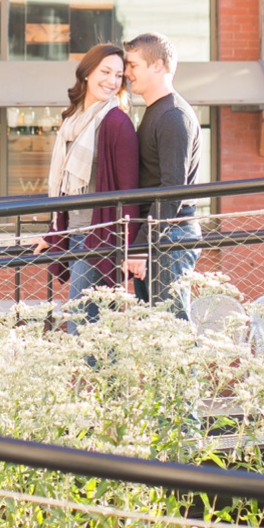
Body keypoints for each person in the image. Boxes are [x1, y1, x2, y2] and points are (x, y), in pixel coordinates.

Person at [37, 44, 140, 324]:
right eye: (105, 72)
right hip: (74, 235)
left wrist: (130, 247)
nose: (111, 81)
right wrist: (53, 232)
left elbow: (130, 191)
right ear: (86, 73)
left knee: (81, 325)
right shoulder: (73, 120)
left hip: (99, 240)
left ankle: (99, 369)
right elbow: (64, 188)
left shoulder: (116, 122)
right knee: (90, 328)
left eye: (118, 75)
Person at [124, 31, 203, 314]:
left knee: (172, 333)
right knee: (157, 335)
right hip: (162, 237)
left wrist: (140, 247)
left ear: (157, 64)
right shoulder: (158, 112)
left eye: (133, 65)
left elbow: (172, 191)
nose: (126, 72)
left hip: (171, 237)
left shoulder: (172, 116)